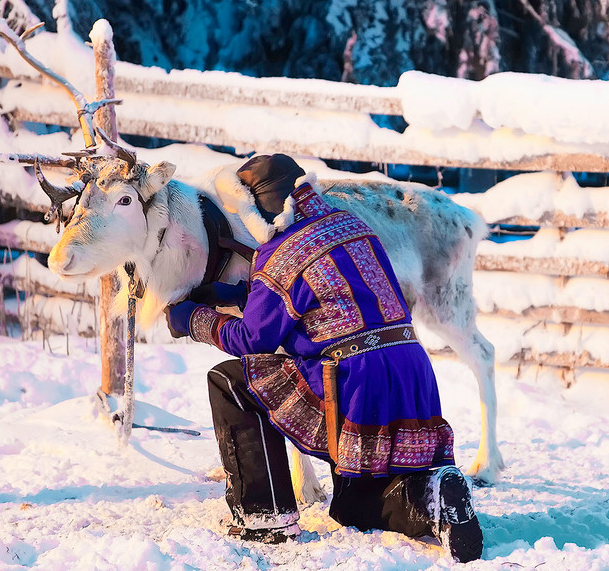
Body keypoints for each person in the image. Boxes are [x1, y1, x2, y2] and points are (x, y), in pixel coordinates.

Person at [164, 154, 483, 563]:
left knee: (231, 382)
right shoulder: (353, 227)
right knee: (352, 506)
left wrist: (193, 318)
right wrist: (234, 296)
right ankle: (431, 498)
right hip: (410, 369)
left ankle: (265, 516)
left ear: (257, 210)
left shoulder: (282, 253)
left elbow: (252, 338)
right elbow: (326, 297)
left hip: (353, 379)